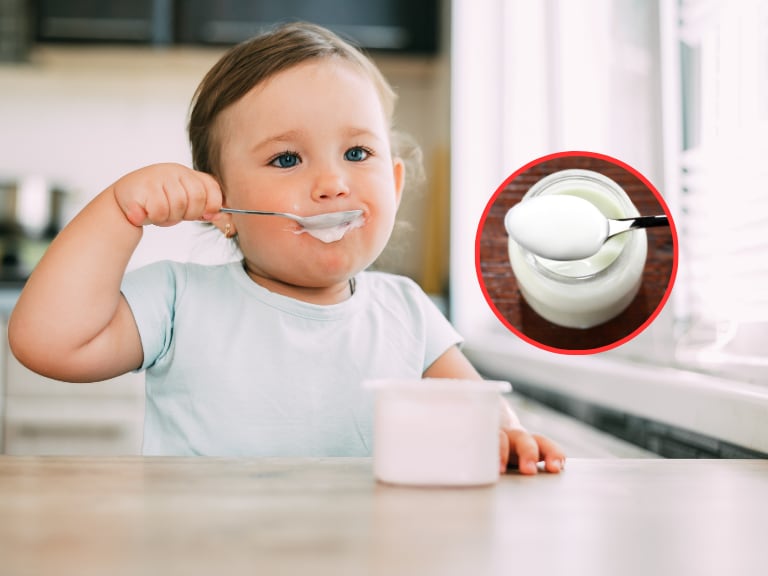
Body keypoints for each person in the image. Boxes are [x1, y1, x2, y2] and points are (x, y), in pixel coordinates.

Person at [8, 22, 565, 474]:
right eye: (286, 159)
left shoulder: (407, 312)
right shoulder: (178, 301)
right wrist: (118, 211)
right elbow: (46, 343)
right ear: (221, 210)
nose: (332, 183)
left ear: (393, 186)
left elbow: (481, 412)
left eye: (357, 153)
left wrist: (509, 435)